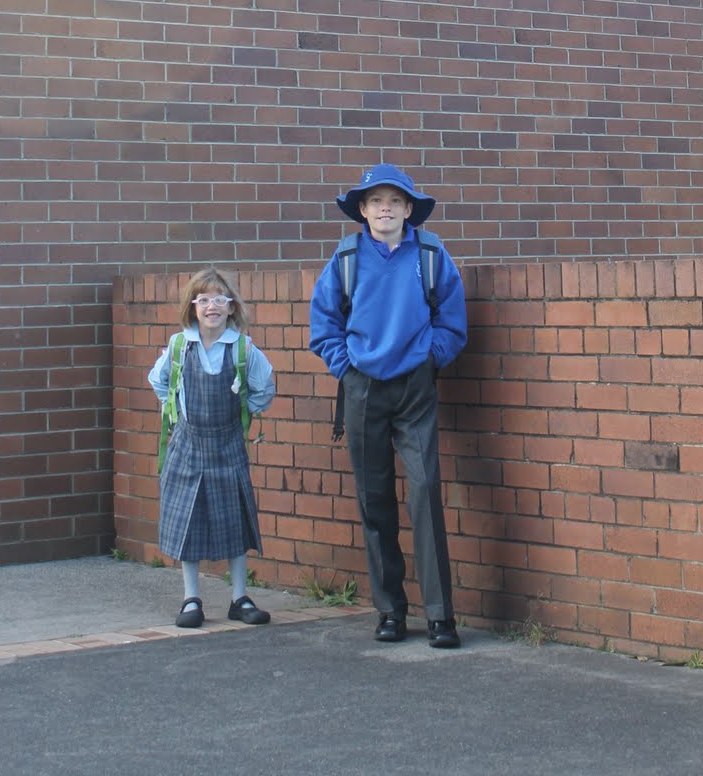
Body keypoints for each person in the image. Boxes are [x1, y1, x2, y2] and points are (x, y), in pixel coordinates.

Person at [309, 162, 467, 648]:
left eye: (395, 202)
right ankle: (390, 611)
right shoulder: (346, 258)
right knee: (374, 502)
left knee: (424, 494)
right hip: (363, 390)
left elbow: (453, 320)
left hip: (415, 388)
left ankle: (440, 616)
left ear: (408, 210)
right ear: (362, 209)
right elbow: (323, 327)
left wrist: (429, 358)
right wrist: (348, 369)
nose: (385, 209)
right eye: (376, 201)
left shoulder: (432, 254)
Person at [148, 267, 275, 629]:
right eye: (203, 299)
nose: (211, 306)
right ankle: (191, 599)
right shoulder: (178, 346)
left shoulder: (242, 348)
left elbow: (264, 387)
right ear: (193, 307)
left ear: (232, 307)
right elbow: (158, 382)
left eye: (220, 299)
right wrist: (174, 409)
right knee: (190, 523)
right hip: (187, 445)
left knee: (234, 521)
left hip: (228, 443)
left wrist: (246, 412)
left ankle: (240, 597)